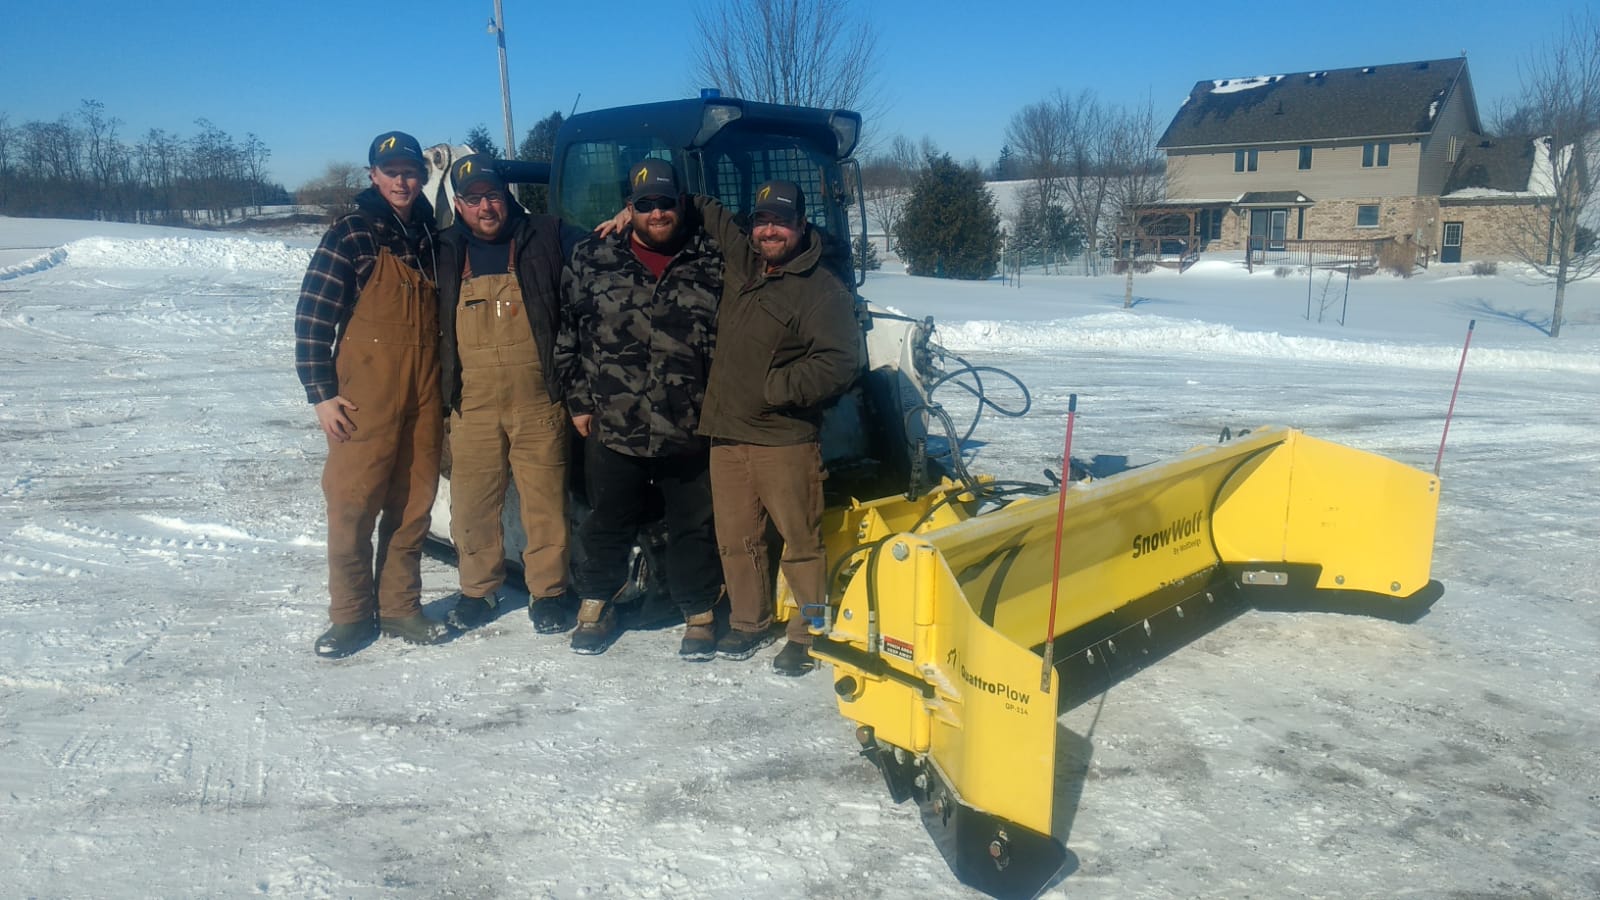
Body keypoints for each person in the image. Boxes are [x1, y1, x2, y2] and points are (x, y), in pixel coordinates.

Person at [690, 180, 863, 675]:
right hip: (726, 437)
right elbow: (705, 206)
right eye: (762, 220)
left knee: (801, 542)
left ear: (800, 225)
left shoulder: (821, 290)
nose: (769, 231)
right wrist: (629, 209)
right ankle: (748, 621)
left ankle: (809, 630)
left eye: (780, 222)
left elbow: (839, 361)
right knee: (736, 538)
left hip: (783, 439)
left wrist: (775, 388)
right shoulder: (745, 260)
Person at [558, 159, 725, 658]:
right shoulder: (592, 256)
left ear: (682, 206)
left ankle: (698, 612)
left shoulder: (712, 261)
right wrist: (578, 402)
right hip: (614, 419)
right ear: (630, 209)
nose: (658, 213)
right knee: (607, 518)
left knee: (693, 521)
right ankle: (595, 604)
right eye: (645, 204)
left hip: (691, 420)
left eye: (666, 203)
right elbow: (568, 333)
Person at [296, 130, 448, 658]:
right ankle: (351, 616)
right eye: (392, 172)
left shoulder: (433, 233)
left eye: (410, 171)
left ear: (422, 176)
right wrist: (321, 394)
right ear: (373, 177)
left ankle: (402, 607)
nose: (402, 181)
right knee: (352, 507)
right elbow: (314, 317)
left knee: (413, 505)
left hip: (425, 393)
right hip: (364, 398)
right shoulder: (352, 232)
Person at [435, 153, 574, 635]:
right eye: (474, 199)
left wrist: (621, 219)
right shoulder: (444, 249)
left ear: (506, 195)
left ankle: (549, 594)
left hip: (539, 400)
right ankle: (477, 592)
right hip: (471, 402)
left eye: (493, 195)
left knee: (545, 505)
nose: (486, 207)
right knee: (472, 505)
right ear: (458, 205)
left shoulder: (546, 235)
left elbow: (605, 247)